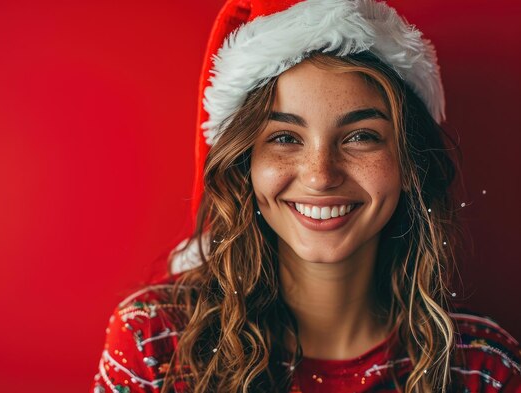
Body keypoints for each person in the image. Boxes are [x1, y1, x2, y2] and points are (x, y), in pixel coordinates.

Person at [91, 0, 521, 392]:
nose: (320, 176)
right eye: (284, 137)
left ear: (410, 164)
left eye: (360, 136)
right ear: (245, 165)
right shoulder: (157, 343)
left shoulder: (481, 368)